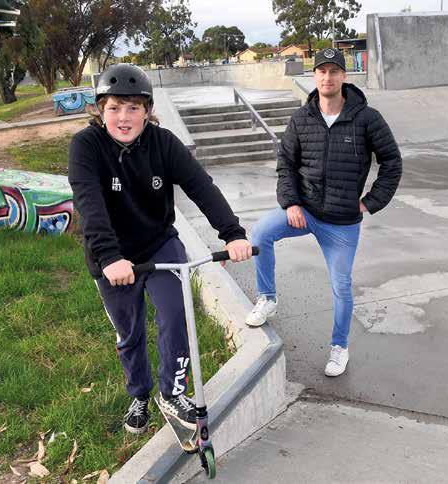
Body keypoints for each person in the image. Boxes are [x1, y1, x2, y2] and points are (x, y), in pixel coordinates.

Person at [68, 64, 253, 434]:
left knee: (176, 313)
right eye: (114, 108)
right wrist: (110, 257)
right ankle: (139, 394)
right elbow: (89, 204)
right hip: (112, 257)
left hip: (158, 244)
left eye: (133, 108)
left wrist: (232, 233)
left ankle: (173, 392)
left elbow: (201, 187)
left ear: (147, 110)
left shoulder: (163, 143)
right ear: (101, 110)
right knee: (130, 332)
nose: (123, 117)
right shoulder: (86, 146)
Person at [245, 48, 402, 377]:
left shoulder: (367, 118)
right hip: (305, 211)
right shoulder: (301, 118)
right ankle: (268, 298)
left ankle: (339, 347)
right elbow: (286, 164)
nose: (327, 77)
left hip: (342, 223)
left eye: (333, 71)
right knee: (260, 233)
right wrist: (291, 203)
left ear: (344, 76)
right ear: (314, 75)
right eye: (321, 71)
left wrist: (370, 201)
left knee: (341, 286)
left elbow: (392, 162)